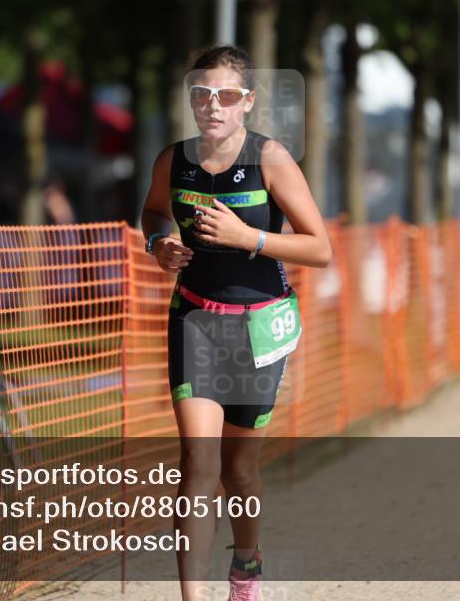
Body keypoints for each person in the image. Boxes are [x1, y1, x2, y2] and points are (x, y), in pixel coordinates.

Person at [139, 45, 332, 601]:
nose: (212, 106)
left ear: (247, 102)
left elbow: (320, 248)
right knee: (197, 463)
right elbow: (153, 210)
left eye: (225, 95)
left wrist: (249, 238)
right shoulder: (172, 160)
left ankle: (246, 566)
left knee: (238, 471)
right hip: (196, 318)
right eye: (201, 95)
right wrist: (159, 242)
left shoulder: (270, 159)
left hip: (259, 327)